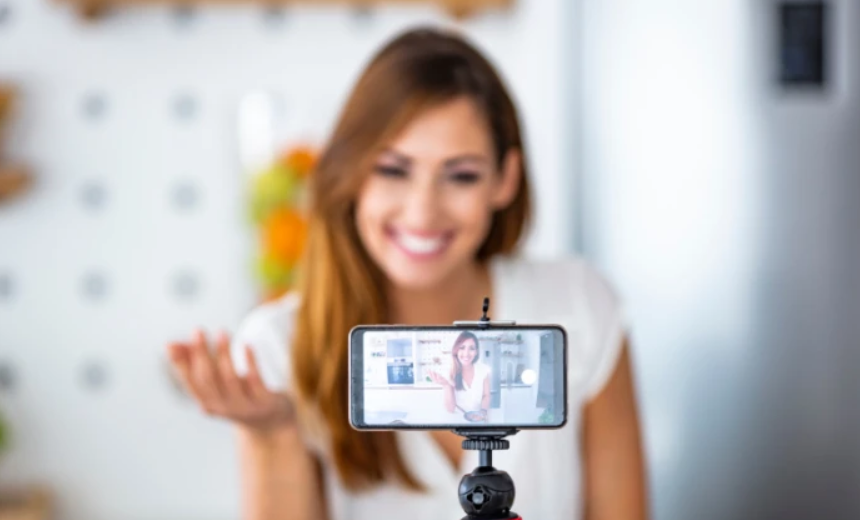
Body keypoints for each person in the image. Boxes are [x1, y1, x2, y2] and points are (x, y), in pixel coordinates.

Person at [167, 26, 648, 520]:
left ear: (505, 178)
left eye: (461, 175)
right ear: (351, 172)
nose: (422, 212)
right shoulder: (276, 347)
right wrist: (272, 434)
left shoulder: (578, 306)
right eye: (392, 170)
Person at [429, 331, 490, 421]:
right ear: (456, 350)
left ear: (476, 352)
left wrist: (483, 412)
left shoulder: (483, 369)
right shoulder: (449, 372)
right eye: (462, 348)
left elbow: (486, 395)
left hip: (478, 420)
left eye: (471, 348)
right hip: (457, 420)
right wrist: (446, 385)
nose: (466, 353)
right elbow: (450, 409)